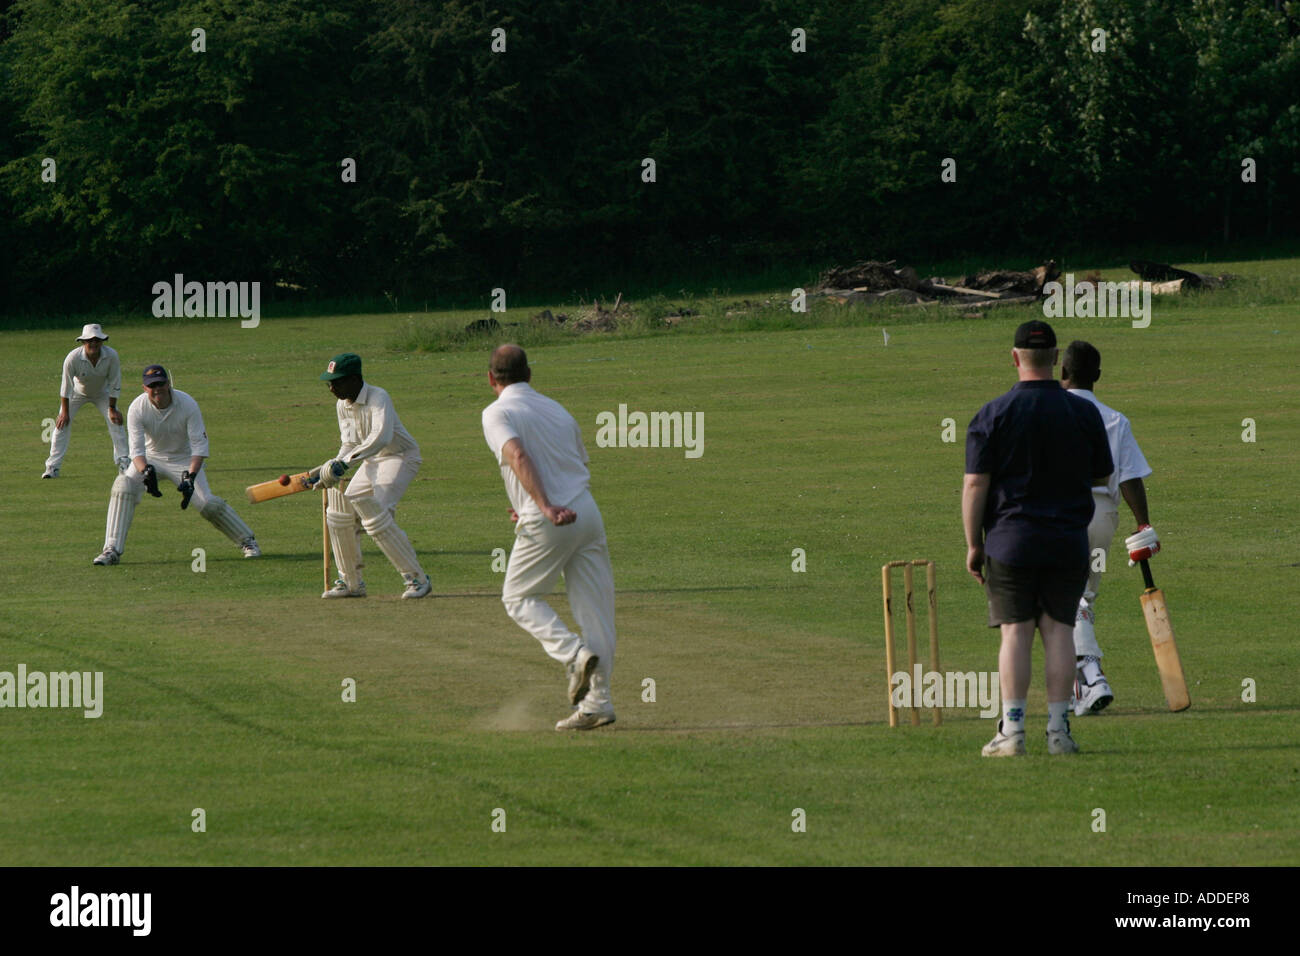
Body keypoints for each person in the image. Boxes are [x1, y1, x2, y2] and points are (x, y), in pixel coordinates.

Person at [963, 321, 1113, 756]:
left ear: (1014, 358)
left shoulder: (993, 414)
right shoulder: (1084, 413)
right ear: (1055, 359)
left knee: (1015, 634)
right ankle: (1058, 731)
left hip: (1011, 540)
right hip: (1067, 540)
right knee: (1060, 633)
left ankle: (1012, 731)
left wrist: (974, 545)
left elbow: (975, 485)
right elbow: (1101, 474)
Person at [482, 344, 617, 731]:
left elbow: (518, 456)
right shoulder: (558, 410)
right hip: (587, 514)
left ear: (492, 379)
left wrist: (540, 505)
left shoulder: (496, 412)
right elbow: (571, 464)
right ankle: (597, 705)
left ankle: (574, 655)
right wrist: (528, 502)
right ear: (529, 374)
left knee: (518, 597)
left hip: (550, 517)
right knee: (597, 615)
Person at [1061, 341, 1160, 715]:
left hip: (1063, 514)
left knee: (1068, 599)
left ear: (1062, 373)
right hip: (1103, 519)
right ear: (1098, 376)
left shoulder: (1052, 412)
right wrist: (1142, 523)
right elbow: (1131, 479)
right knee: (1081, 597)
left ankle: (1092, 674)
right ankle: (1077, 689)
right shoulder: (1115, 419)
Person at [93, 365, 260, 565]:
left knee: (207, 504)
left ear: (168, 383)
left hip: (183, 459)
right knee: (123, 485)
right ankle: (111, 550)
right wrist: (145, 471)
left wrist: (190, 476)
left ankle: (248, 542)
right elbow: (136, 452)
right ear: (145, 388)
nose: (157, 390)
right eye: (151, 386)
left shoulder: (187, 404)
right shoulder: (137, 408)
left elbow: (199, 447)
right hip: (151, 458)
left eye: (160, 384)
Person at [314, 353, 431, 600]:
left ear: (355, 379)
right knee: (339, 513)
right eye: (329, 383)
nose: (332, 388)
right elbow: (349, 443)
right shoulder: (342, 404)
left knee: (375, 516)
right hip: (371, 460)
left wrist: (344, 465)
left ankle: (417, 579)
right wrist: (333, 466)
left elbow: (381, 437)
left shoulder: (379, 397)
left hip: (400, 456)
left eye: (337, 382)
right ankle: (351, 583)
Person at [44, 323, 129, 478]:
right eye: (90, 340)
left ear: (102, 342)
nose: (93, 343)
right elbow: (66, 386)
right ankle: (52, 467)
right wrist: (64, 412)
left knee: (115, 421)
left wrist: (112, 408)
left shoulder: (111, 356)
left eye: (97, 340)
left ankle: (124, 462)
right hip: (77, 392)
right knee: (61, 425)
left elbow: (115, 383)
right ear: (83, 342)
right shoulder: (73, 358)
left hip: (102, 393)